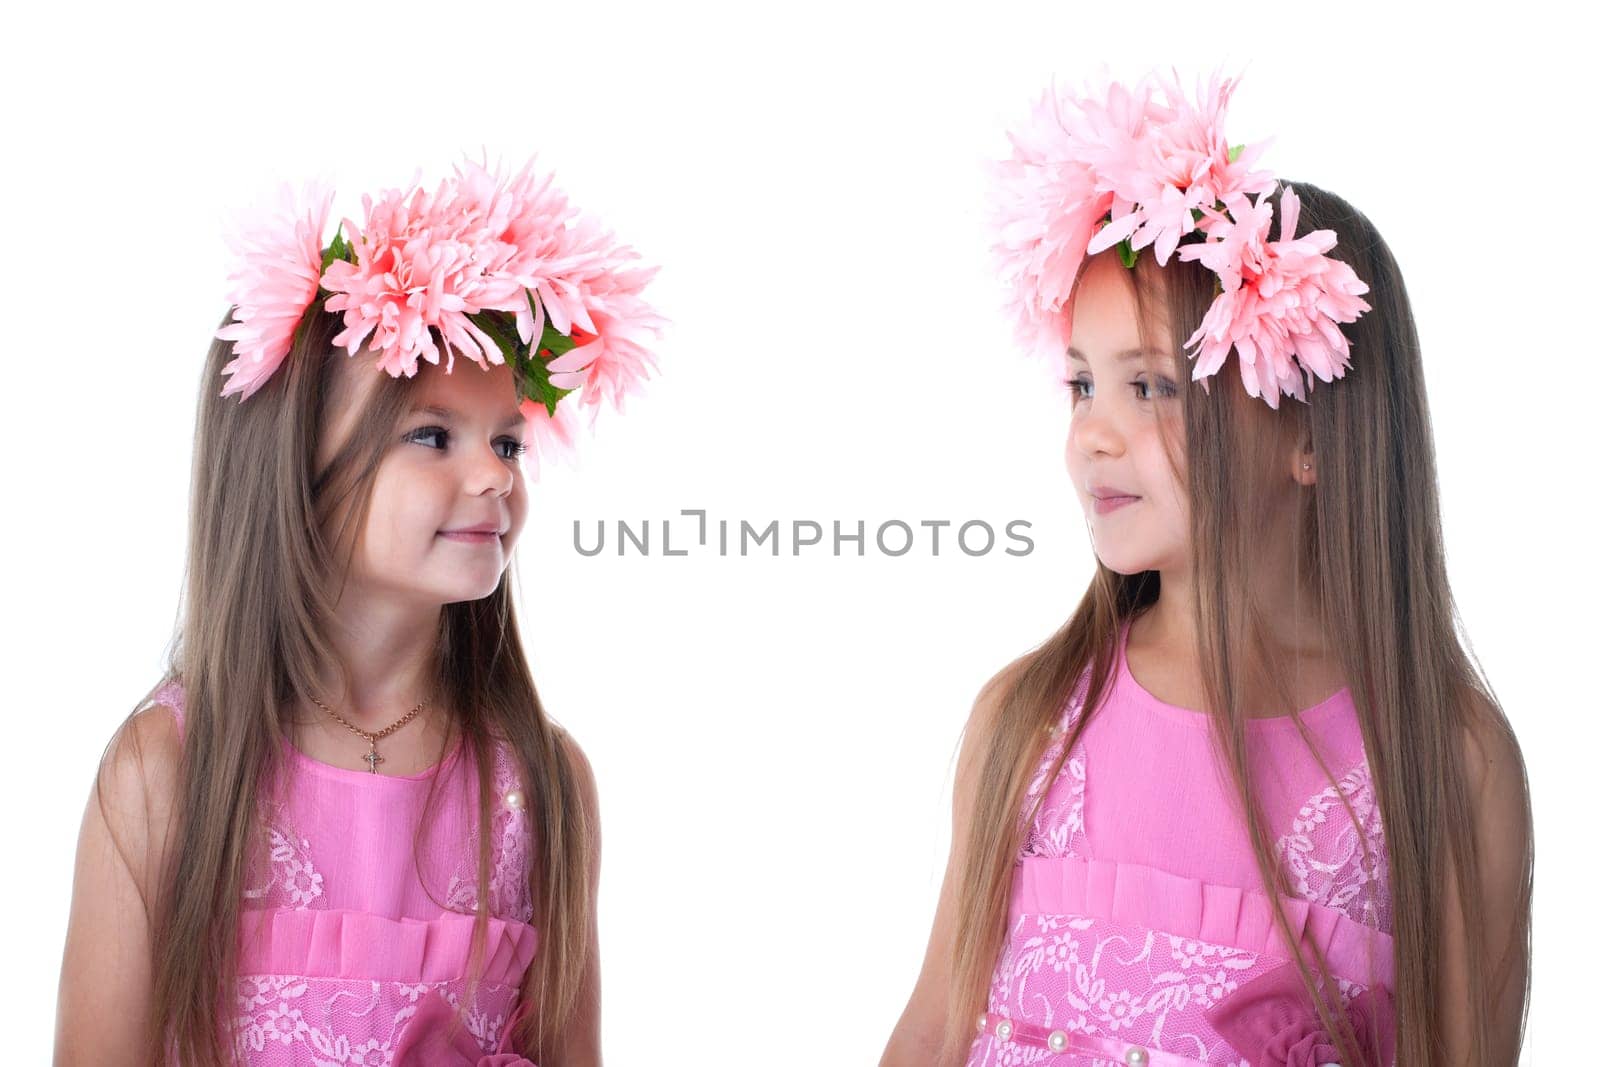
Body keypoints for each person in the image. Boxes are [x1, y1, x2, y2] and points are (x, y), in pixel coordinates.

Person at [880, 69, 1532, 1066]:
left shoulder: (1444, 762)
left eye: (1149, 386)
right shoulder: (1028, 724)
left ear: (1307, 434)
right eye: (1081, 385)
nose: (1093, 434)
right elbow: (931, 1030)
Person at [54, 155, 664, 1066]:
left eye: (507, 440)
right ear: (293, 472)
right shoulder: (167, 775)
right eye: (432, 435)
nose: (495, 473)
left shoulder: (537, 786)